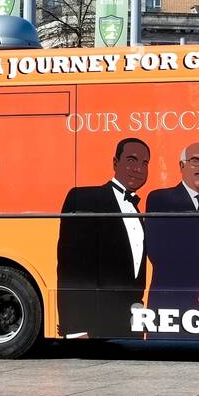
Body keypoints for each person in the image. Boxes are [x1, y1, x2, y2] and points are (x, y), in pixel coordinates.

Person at [56, 137, 151, 339]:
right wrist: (75, 329)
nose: (138, 169)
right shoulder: (85, 198)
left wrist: (137, 309)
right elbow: (71, 268)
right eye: (132, 160)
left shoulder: (137, 210)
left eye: (145, 163)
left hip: (128, 322)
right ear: (115, 163)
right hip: (93, 322)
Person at [142, 142, 199, 339]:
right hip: (171, 309)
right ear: (181, 166)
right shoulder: (160, 199)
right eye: (195, 161)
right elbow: (159, 253)